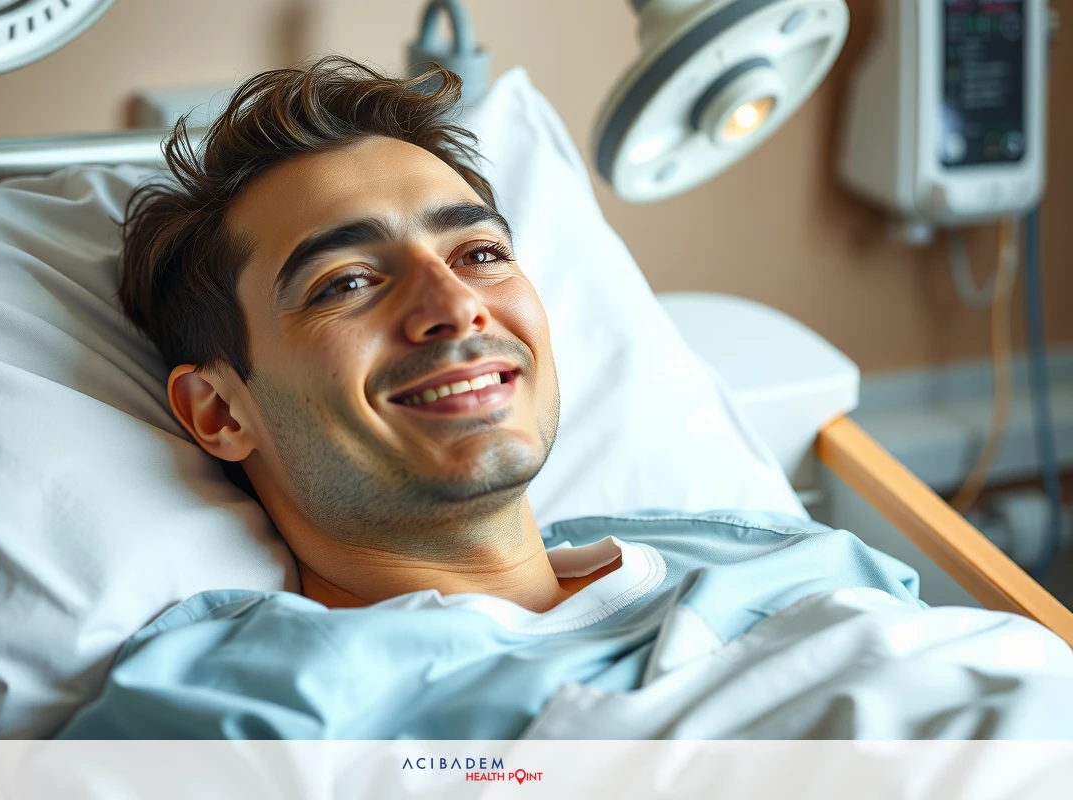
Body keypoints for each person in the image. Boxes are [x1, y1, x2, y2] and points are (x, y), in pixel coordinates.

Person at [58, 57, 1071, 739]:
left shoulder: (775, 553)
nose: (454, 306)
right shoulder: (244, 705)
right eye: (349, 281)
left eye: (479, 253)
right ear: (219, 411)